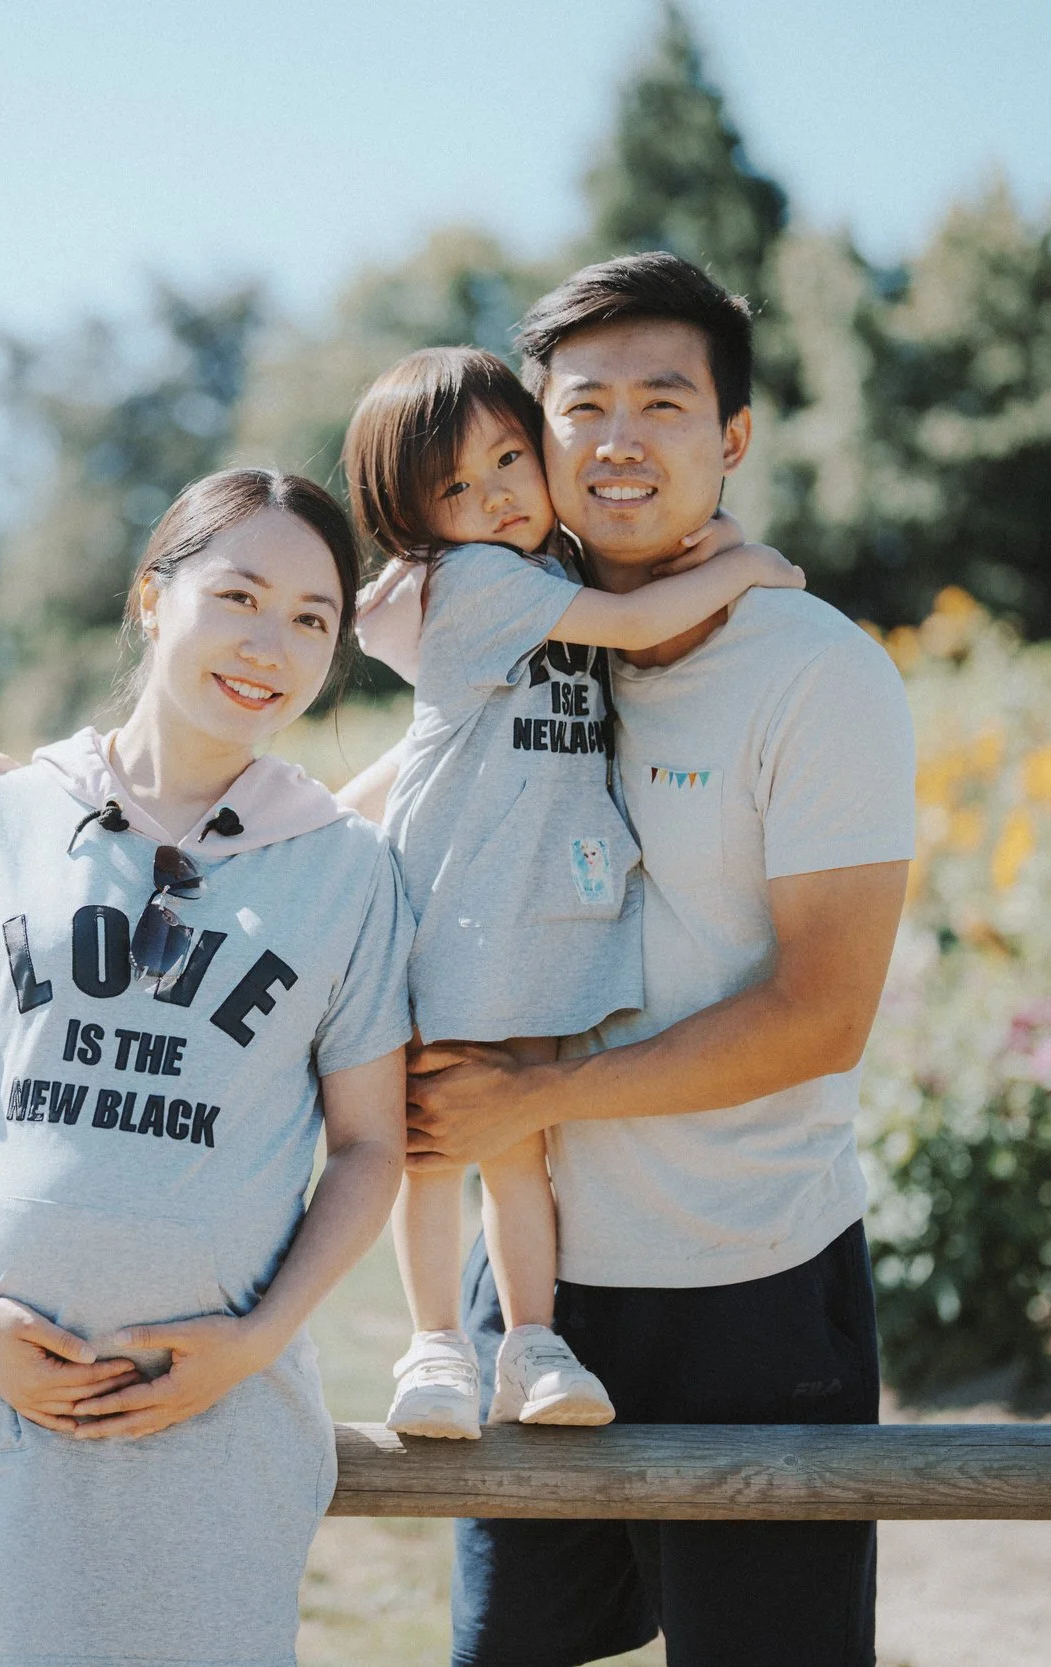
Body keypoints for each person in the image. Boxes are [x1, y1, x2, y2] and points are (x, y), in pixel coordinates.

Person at [398, 253, 915, 1667]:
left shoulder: (819, 671)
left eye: (664, 402)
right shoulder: (514, 641)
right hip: (541, 1301)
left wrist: (534, 1103)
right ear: (535, 434)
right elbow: (333, 787)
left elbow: (822, 1014)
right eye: (583, 407)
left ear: (732, 437)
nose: (619, 438)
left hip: (749, 1272)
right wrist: (53, 794)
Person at [0, 467, 413, 1667]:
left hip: (215, 1413)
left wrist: (258, 1340)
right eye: (240, 596)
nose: (273, 644)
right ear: (153, 600)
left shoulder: (349, 872)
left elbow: (370, 1146)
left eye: (314, 618)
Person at [336, 345, 804, 1441]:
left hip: (540, 906)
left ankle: (531, 1341)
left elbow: (647, 599)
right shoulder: (478, 581)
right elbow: (646, 624)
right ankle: (436, 1342)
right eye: (457, 485)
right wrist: (749, 565)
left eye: (510, 456)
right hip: (452, 901)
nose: (495, 491)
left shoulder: (548, 573)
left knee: (519, 1143)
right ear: (415, 514)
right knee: (437, 1138)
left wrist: (715, 543)